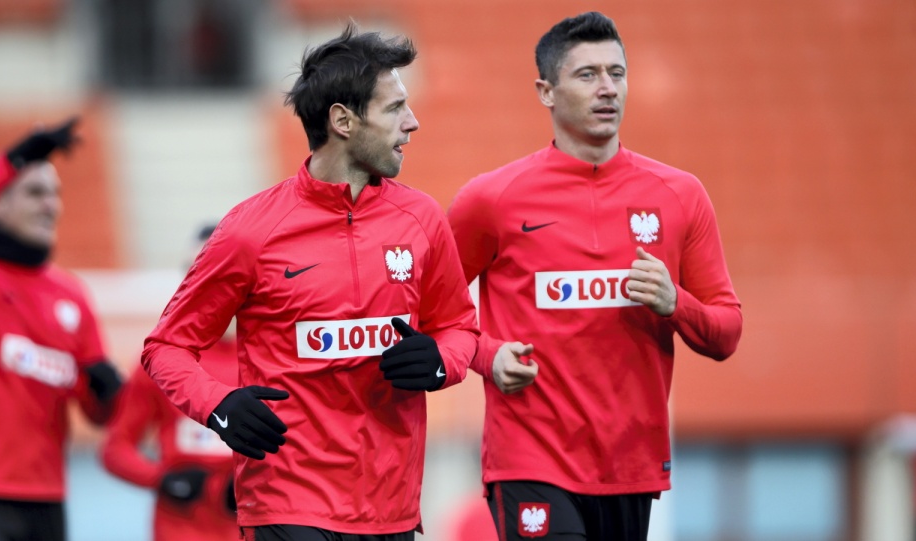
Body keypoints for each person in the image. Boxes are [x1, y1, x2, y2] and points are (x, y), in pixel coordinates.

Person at [142, 23, 495, 541]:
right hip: (287, 501)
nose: (413, 123)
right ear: (342, 120)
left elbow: (460, 329)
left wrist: (442, 361)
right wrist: (218, 405)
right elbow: (167, 346)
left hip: (391, 505)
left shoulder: (421, 218)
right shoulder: (250, 231)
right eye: (395, 108)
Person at [447, 12, 743, 541]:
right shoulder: (491, 199)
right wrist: (486, 356)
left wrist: (676, 303)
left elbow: (726, 332)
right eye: (587, 75)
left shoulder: (679, 195)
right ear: (546, 90)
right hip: (530, 458)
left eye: (617, 73)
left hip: (631, 465)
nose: (607, 88)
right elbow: (430, 309)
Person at [0, 118, 124, 541]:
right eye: (35, 192)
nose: (50, 205)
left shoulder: (71, 294)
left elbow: (96, 412)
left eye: (55, 194)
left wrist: (107, 394)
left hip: (48, 499)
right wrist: (13, 159)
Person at [101, 223, 238, 541]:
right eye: (193, 272)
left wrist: (260, 482)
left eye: (215, 271)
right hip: (180, 530)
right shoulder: (161, 358)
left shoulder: (271, 357)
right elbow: (116, 448)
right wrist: (162, 479)